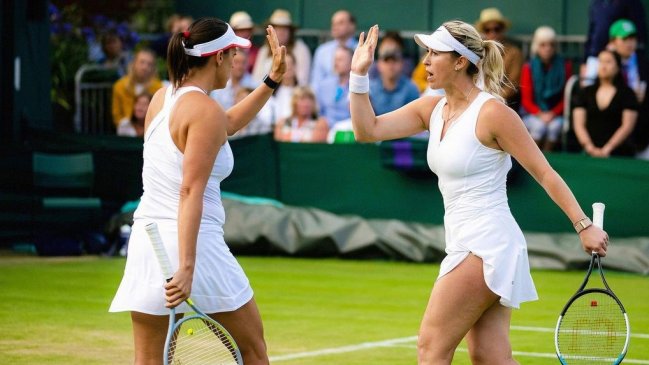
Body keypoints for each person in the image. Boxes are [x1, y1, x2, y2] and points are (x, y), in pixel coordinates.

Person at [349, 21, 608, 364]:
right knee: (490, 357)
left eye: (434, 53)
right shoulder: (431, 109)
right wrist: (358, 75)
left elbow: (544, 172)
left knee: (431, 348)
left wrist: (583, 225)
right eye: (426, 52)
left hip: (487, 243)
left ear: (459, 61)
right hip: (463, 240)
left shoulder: (493, 113)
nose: (425, 60)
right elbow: (367, 130)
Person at [109, 17, 286, 365]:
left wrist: (271, 81)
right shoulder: (203, 110)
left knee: (147, 360)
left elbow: (228, 124)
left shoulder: (162, 98)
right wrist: (187, 266)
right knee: (253, 353)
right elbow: (190, 191)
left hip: (148, 241)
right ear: (218, 57)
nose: (237, 61)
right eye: (233, 53)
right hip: (194, 245)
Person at [573, 49, 639, 157]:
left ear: (618, 67)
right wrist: (590, 148)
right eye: (601, 61)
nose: (603, 66)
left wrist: (607, 149)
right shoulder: (585, 92)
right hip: (588, 153)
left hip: (620, 155)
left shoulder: (627, 94)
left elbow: (627, 126)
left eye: (608, 62)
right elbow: (579, 124)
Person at [520, 26, 572, 151]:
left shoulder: (565, 66)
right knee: (539, 127)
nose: (548, 48)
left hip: (556, 113)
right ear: (536, 46)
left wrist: (553, 113)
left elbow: (567, 97)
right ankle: (533, 161)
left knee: (554, 127)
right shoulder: (529, 67)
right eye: (543, 45)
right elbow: (526, 100)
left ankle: (548, 160)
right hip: (533, 113)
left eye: (551, 45)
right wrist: (540, 114)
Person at [582, 0, 647, 84]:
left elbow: (638, 32)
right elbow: (591, 32)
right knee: (588, 86)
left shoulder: (632, 3)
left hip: (620, 57)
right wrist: (584, 61)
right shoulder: (596, 3)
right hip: (595, 55)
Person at [475, 7, 523, 111]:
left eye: (497, 29)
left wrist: (492, 100)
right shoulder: (478, 52)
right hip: (480, 101)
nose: (493, 33)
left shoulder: (514, 53)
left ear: (502, 30)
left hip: (506, 104)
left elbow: (512, 85)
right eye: (487, 30)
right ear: (483, 32)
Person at [252, 9, 311, 87]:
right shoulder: (264, 50)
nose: (281, 32)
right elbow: (256, 79)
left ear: (290, 31)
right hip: (267, 95)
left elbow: (303, 81)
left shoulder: (301, 49)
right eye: (277, 28)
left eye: (285, 28)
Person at [111, 48, 163, 127]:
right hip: (126, 132)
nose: (145, 67)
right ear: (134, 63)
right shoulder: (119, 86)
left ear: (153, 68)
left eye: (149, 64)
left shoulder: (159, 87)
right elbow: (117, 117)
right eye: (142, 62)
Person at [310, 9, 358, 91]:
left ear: (352, 26)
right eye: (333, 23)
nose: (335, 27)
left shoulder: (361, 50)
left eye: (341, 23)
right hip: (324, 100)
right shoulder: (322, 51)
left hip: (353, 97)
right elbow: (315, 83)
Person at [369, 42, 420, 116]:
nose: (391, 65)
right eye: (386, 60)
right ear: (379, 64)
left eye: (395, 60)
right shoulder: (370, 89)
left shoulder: (411, 88)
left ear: (402, 63)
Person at [316, 46, 352, 127]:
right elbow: (319, 113)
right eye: (335, 59)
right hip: (326, 131)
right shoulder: (324, 86)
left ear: (351, 63)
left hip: (348, 131)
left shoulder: (358, 86)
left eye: (340, 60)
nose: (336, 63)